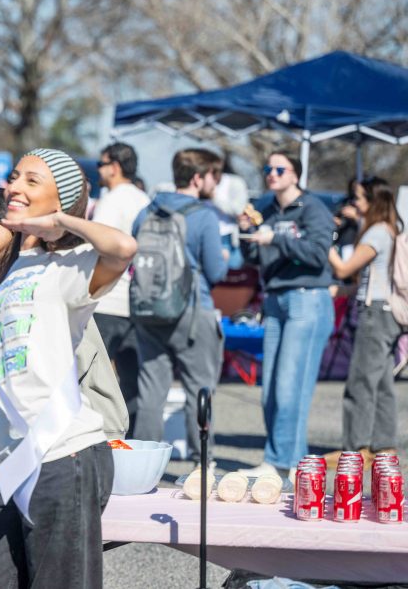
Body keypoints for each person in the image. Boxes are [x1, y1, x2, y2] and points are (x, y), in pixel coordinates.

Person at [0, 148, 136, 588]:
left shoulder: (69, 266)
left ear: (60, 199)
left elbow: (123, 248)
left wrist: (60, 224)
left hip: (64, 454)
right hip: (13, 463)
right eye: (15, 177)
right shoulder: (16, 269)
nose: (15, 186)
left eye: (32, 180)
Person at [0, 187, 130, 441]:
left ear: (12, 222)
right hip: (36, 435)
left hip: (83, 430)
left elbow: (76, 357)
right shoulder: (5, 282)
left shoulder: (45, 271)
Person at [238, 150, 335, 480]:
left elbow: (318, 253)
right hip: (276, 300)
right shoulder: (265, 208)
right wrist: (248, 233)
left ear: (295, 175)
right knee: (271, 389)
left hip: (307, 299)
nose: (272, 173)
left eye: (280, 168)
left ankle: (288, 463)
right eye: (268, 168)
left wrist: (275, 236)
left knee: (291, 386)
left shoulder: (313, 209)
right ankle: (282, 461)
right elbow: (253, 256)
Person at [131, 149, 228, 463]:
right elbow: (216, 272)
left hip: (148, 309)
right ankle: (203, 463)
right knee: (199, 389)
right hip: (191, 311)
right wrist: (228, 257)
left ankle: (145, 464)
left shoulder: (146, 212)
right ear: (198, 178)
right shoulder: (204, 216)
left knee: (150, 391)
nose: (215, 183)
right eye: (213, 177)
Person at [326, 177, 401, 466]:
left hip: (375, 315)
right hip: (387, 312)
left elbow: (346, 267)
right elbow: (365, 280)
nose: (354, 204)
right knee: (382, 383)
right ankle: (384, 446)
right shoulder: (389, 230)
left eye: (358, 199)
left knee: (359, 382)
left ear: (372, 201)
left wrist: (324, 240)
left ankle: (354, 448)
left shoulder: (376, 233)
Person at [90, 141, 149, 433]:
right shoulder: (144, 198)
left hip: (109, 299)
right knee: (133, 380)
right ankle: (133, 440)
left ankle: (102, 438)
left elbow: (99, 244)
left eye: (101, 164)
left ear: (114, 167)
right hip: (139, 301)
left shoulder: (113, 199)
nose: (99, 170)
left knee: (92, 375)